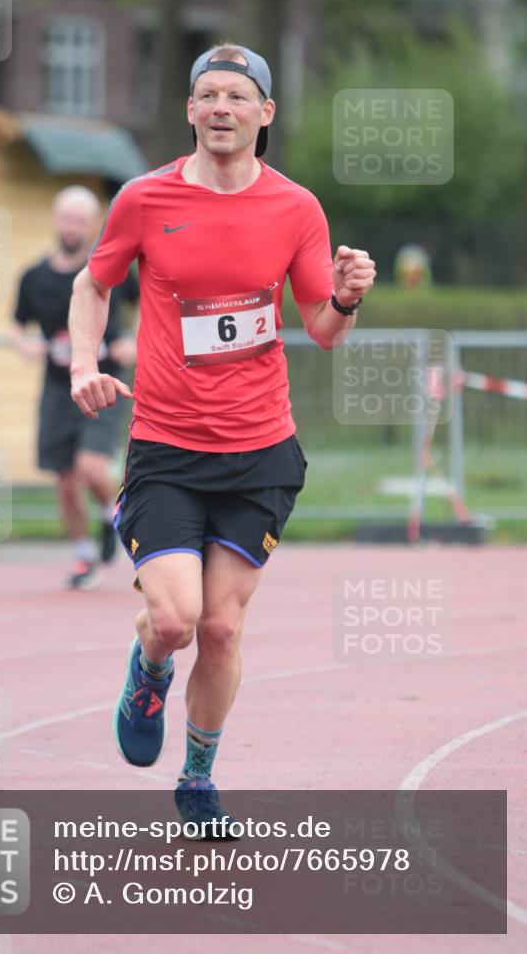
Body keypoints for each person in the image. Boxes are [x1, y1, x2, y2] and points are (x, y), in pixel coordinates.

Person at [69, 45, 376, 830]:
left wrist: (343, 299)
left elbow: (321, 329)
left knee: (221, 625)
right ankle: (148, 669)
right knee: (173, 621)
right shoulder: (143, 197)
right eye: (206, 94)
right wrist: (82, 362)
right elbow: (93, 283)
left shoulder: (295, 209)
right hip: (168, 448)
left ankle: (198, 777)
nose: (219, 109)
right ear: (189, 110)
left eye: (236, 97)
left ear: (263, 114)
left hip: (260, 449)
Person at [12, 186, 139, 590]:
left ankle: (110, 514)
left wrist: (131, 340)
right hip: (58, 386)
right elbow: (17, 324)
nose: (71, 228)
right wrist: (24, 344)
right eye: (66, 219)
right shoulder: (34, 277)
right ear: (55, 220)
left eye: (80, 221)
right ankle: (84, 554)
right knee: (65, 479)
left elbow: (147, 304)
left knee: (90, 467)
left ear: (91, 225)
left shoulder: (108, 268)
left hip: (104, 381)